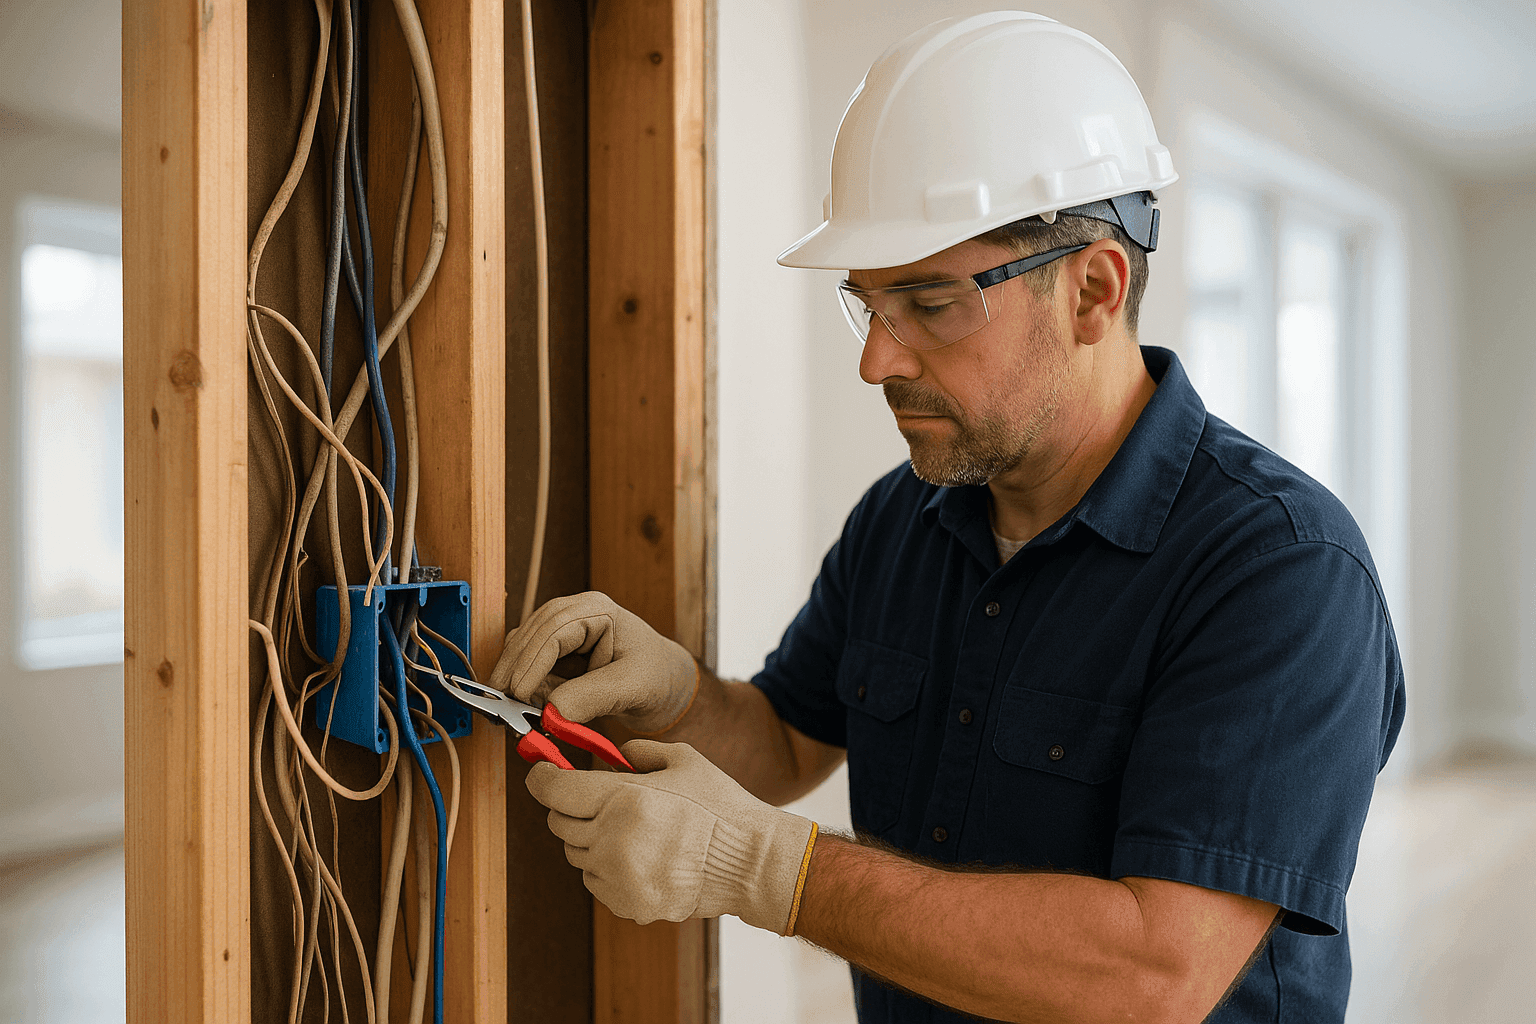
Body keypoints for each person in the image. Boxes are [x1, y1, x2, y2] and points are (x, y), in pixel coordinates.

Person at [493, 12, 1405, 1023]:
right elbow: (789, 740)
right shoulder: (906, 517)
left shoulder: (1283, 570)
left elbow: (1155, 973)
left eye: (929, 305)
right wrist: (671, 694)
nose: (877, 361)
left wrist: (771, 871)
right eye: (868, 305)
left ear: (1092, 291)